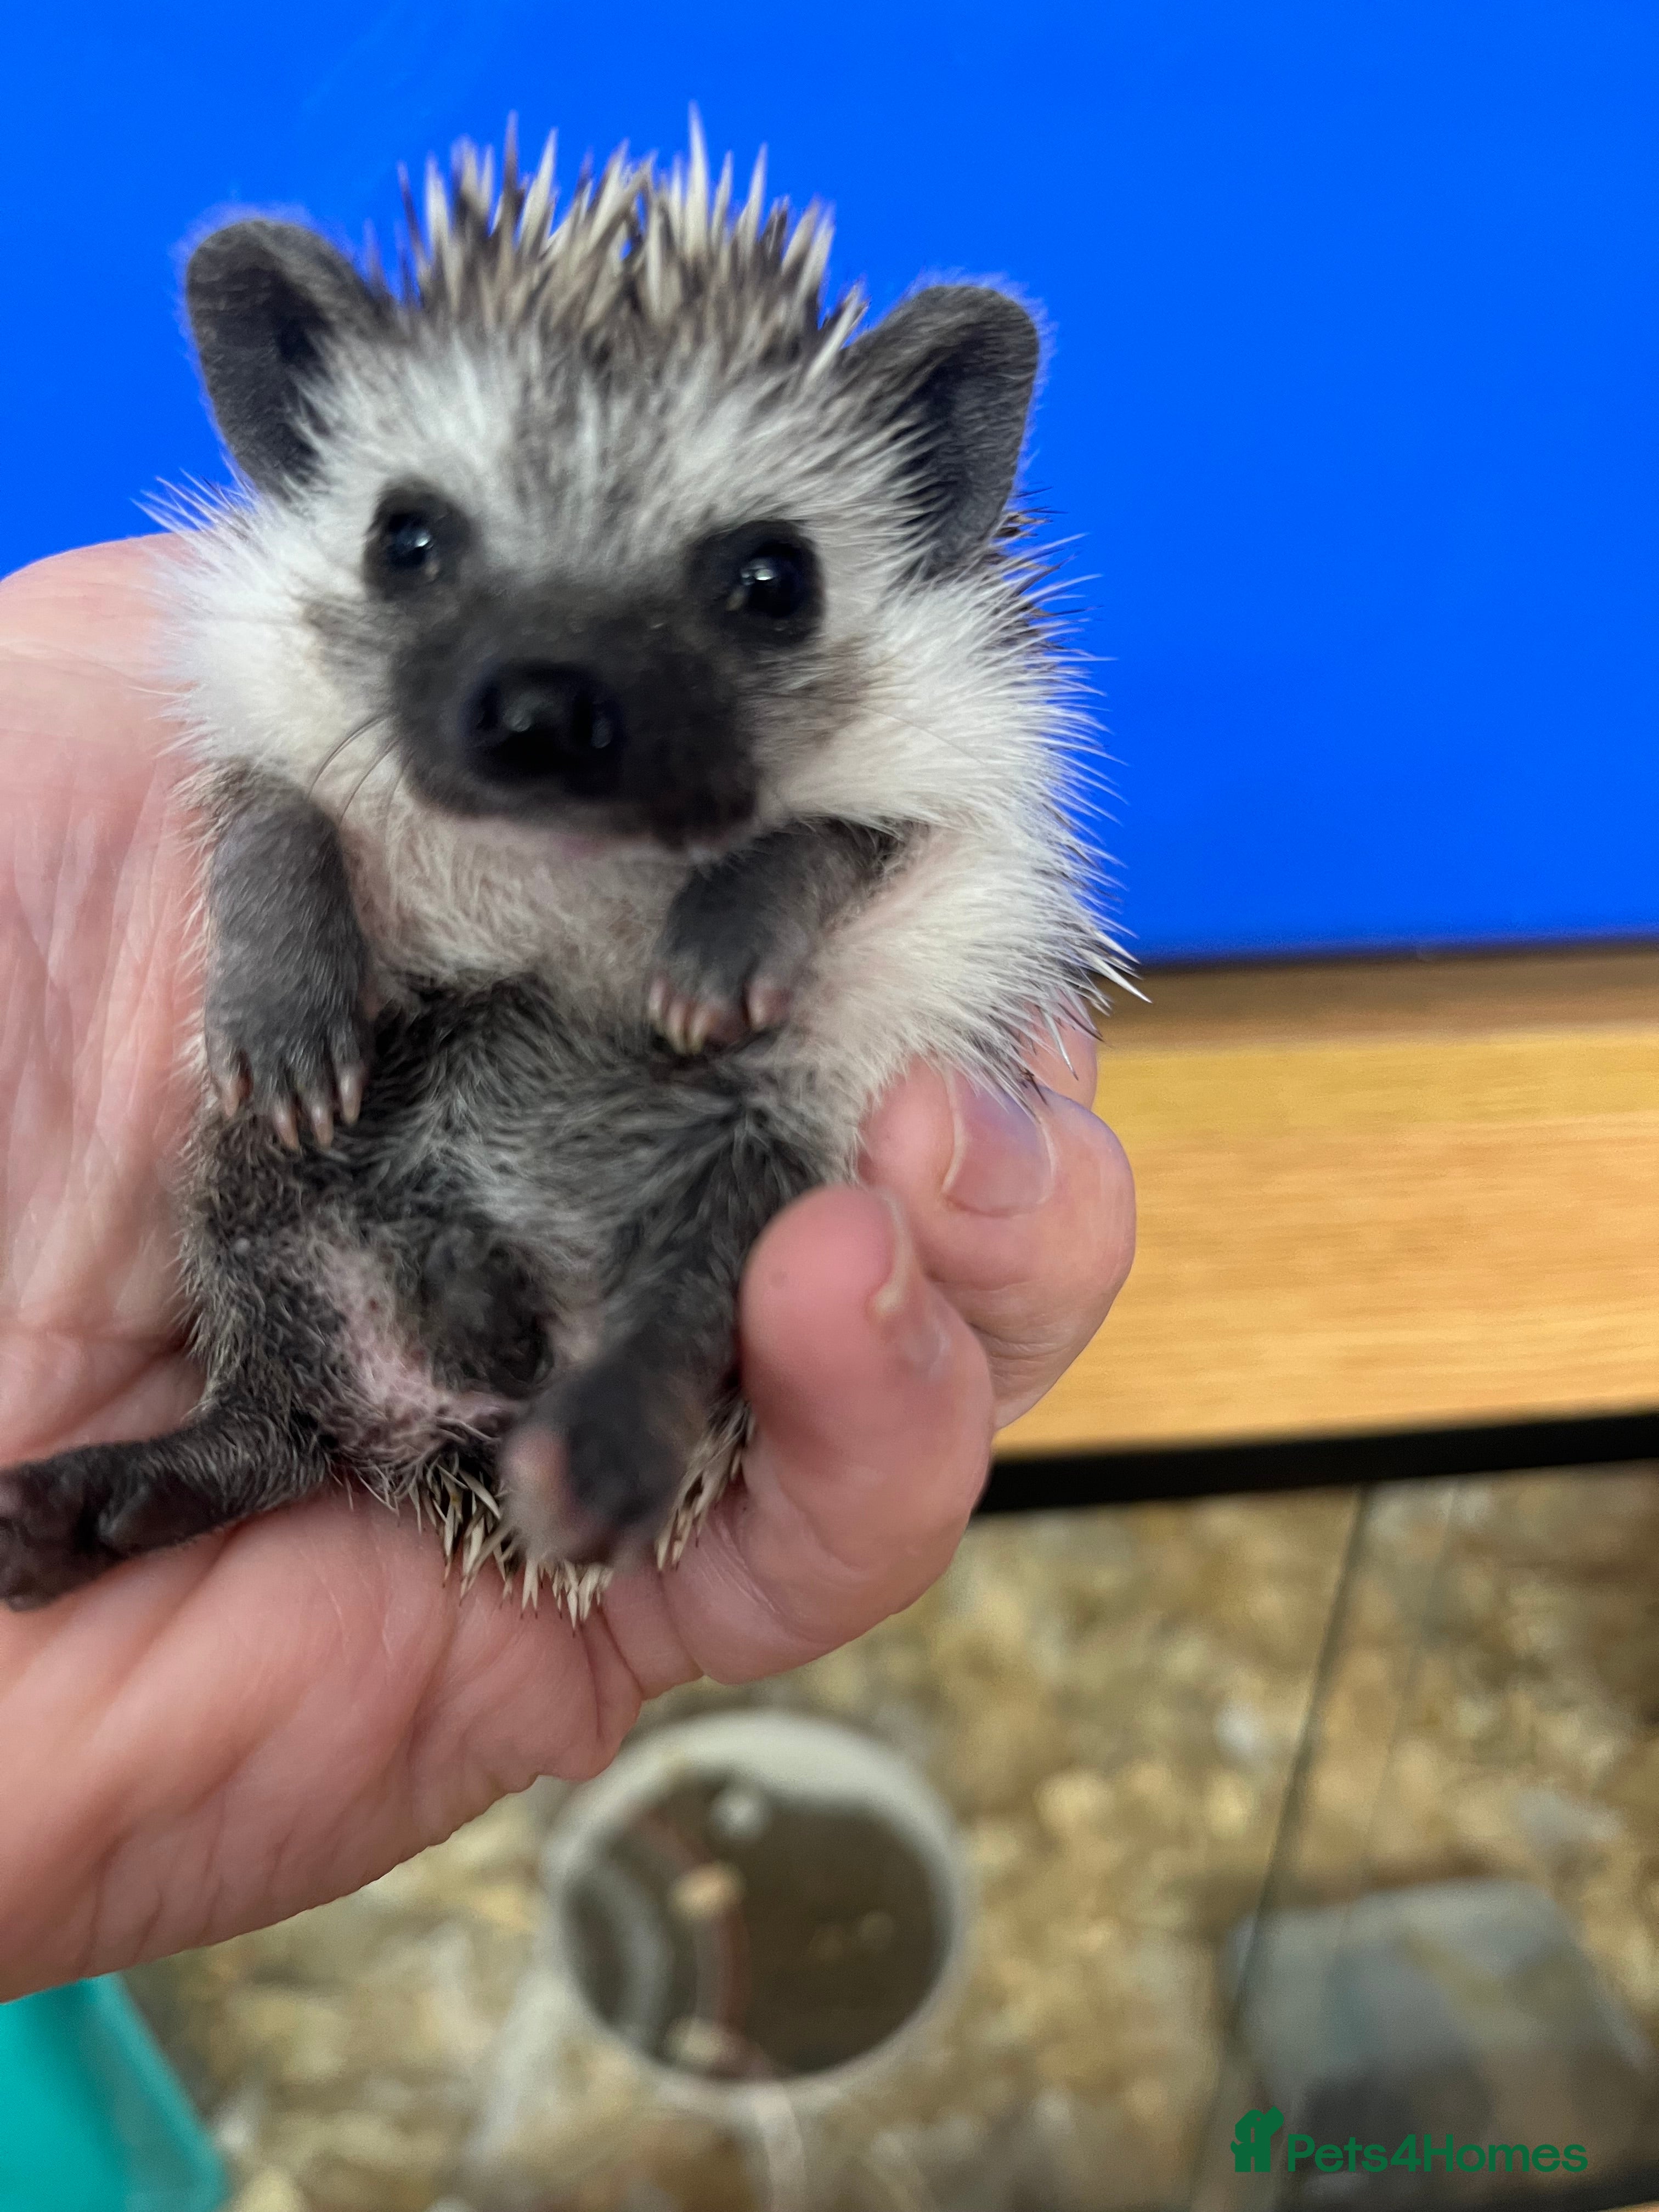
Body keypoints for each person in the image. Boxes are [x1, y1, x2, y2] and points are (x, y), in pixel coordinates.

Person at [0, 539, 1136, 2001]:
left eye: (752, 593)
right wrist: (288, 923)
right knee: (266, 1159)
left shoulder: (895, 707)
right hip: (397, 1180)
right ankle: (262, 1432)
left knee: (764, 1168)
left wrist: (775, 892)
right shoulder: (321, 645)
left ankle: (594, 1394)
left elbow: (909, 814)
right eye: (436, 550)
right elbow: (273, 763)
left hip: (660, 1177)